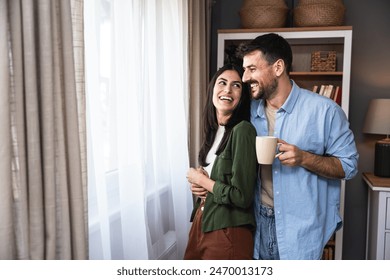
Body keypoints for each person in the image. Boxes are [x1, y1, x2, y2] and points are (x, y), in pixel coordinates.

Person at [236, 33, 359, 260]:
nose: (244, 78)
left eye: (252, 69)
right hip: (256, 220)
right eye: (244, 70)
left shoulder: (325, 111)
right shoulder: (250, 110)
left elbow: (348, 166)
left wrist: (304, 158)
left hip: (302, 228)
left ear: (278, 67)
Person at [184, 63, 258, 260]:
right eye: (222, 83)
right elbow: (218, 179)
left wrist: (202, 181)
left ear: (242, 96)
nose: (227, 89)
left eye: (236, 85)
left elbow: (241, 196)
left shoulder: (243, 130)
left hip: (228, 230)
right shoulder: (214, 131)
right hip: (202, 221)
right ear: (212, 89)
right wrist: (200, 182)